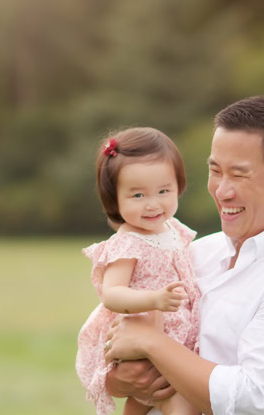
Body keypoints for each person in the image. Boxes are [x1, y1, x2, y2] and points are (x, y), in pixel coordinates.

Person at [104, 95, 264, 415]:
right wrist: (123, 378)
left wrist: (152, 343)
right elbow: (118, 367)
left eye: (240, 174)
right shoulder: (197, 251)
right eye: (215, 170)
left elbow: (255, 402)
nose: (221, 190)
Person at [77, 128, 200, 415]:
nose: (153, 203)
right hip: (144, 332)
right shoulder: (128, 242)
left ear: (178, 186)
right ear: (114, 199)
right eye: (138, 195)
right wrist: (154, 299)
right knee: (167, 396)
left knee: (150, 396)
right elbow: (112, 294)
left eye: (163, 191)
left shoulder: (173, 229)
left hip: (175, 335)